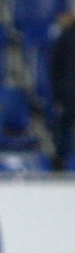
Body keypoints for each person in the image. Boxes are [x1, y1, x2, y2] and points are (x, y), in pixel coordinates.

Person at [50, 12, 75, 169]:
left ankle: (61, 160)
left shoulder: (64, 38)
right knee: (65, 126)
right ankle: (62, 159)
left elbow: (54, 69)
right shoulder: (65, 39)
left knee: (65, 127)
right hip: (69, 92)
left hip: (68, 93)